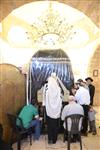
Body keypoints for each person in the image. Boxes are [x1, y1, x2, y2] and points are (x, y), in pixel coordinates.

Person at [43, 73, 63, 144]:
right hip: (56, 111)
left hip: (49, 110)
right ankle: (54, 140)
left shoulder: (46, 88)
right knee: (55, 125)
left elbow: (44, 98)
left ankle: (50, 139)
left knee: (49, 125)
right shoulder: (58, 88)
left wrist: (45, 104)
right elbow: (61, 98)